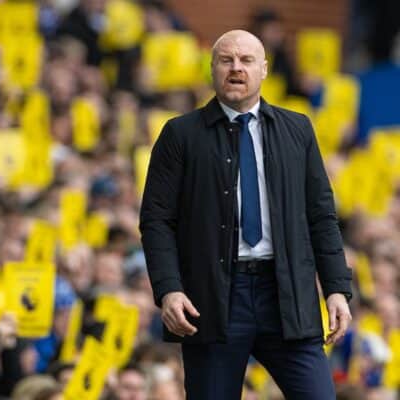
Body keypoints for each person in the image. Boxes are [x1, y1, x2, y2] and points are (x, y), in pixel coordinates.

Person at [139, 29, 353, 399]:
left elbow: (321, 216)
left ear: (264, 70)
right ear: (212, 69)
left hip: (286, 293)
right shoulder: (179, 134)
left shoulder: (298, 129)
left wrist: (336, 288)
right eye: (226, 60)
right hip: (213, 298)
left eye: (246, 60)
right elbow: (157, 220)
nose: (236, 68)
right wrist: (169, 290)